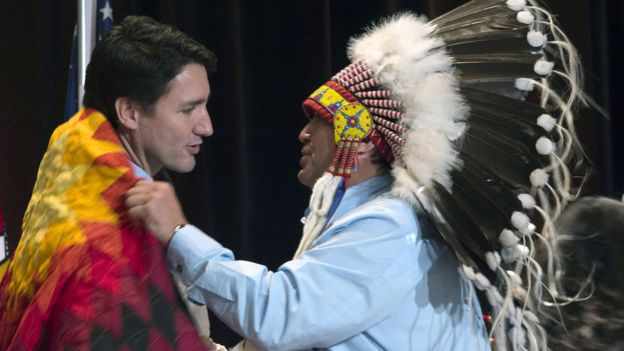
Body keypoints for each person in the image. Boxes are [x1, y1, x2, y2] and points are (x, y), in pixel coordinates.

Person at [127, 1, 592, 350]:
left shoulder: (391, 227)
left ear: (364, 139)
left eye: (319, 120)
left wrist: (179, 234)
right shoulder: (366, 222)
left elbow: (280, 314)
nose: (303, 134)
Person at [0, 15, 223, 350]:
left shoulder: (74, 183)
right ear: (130, 113)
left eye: (205, 105)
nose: (207, 127)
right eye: (188, 109)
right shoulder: (107, 243)